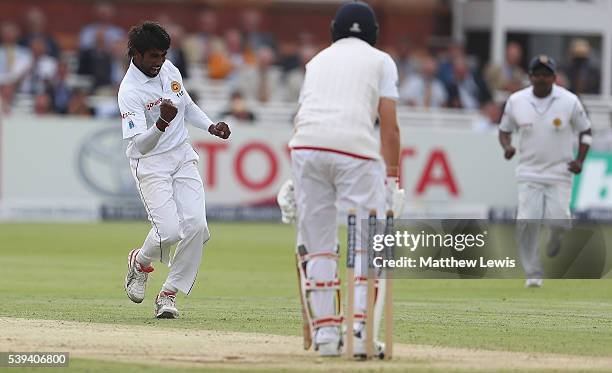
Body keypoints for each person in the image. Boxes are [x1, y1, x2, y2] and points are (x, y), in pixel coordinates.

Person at [284, 1, 404, 357]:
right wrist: (392, 180)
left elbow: (302, 116)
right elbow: (390, 127)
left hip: (305, 148)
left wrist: (295, 178)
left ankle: (325, 338)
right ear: (374, 33)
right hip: (355, 150)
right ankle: (360, 331)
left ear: (335, 29)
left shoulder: (316, 61)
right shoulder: (381, 61)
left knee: (318, 243)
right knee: (368, 243)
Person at [119, 22, 231, 318]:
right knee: (168, 231)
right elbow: (139, 146)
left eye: (163, 55)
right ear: (137, 54)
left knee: (196, 226)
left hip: (181, 155)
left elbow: (187, 104)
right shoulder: (129, 91)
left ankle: (168, 294)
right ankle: (140, 262)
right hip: (151, 163)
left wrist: (211, 125)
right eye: (153, 56)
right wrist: (161, 123)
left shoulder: (169, 69)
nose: (159, 62)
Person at [498, 55, 591, 288]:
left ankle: (556, 234)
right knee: (528, 222)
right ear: (529, 77)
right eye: (537, 74)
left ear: (554, 77)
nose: (541, 79)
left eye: (546, 74)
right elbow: (504, 129)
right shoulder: (516, 101)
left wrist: (580, 159)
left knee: (559, 221)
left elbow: (586, 131)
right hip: (529, 171)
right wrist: (507, 146)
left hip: (560, 172)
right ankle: (533, 273)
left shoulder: (569, 101)